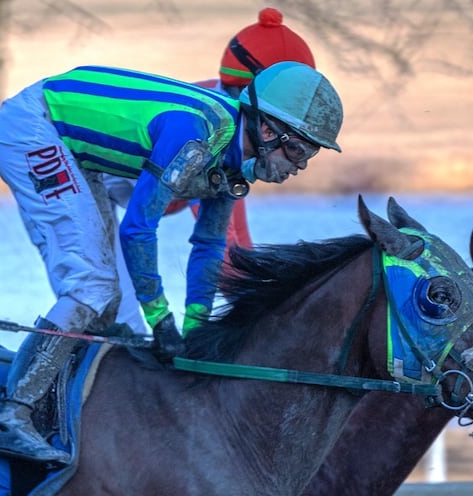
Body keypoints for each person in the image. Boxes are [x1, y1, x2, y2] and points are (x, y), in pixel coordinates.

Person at [0, 61, 343, 466]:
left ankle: (67, 410)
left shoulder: (230, 163)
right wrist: (161, 318)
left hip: (75, 144)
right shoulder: (195, 138)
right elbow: (137, 227)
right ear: (269, 130)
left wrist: (196, 330)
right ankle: (11, 415)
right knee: (91, 287)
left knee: (108, 303)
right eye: (299, 150)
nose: (301, 166)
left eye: (311, 155)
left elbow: (207, 245)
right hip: (35, 127)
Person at [107, 6, 317, 332]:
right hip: (107, 175)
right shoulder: (213, 129)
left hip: (158, 191)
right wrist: (259, 312)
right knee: (118, 309)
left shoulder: (250, 122)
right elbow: (223, 242)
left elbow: (231, 227)